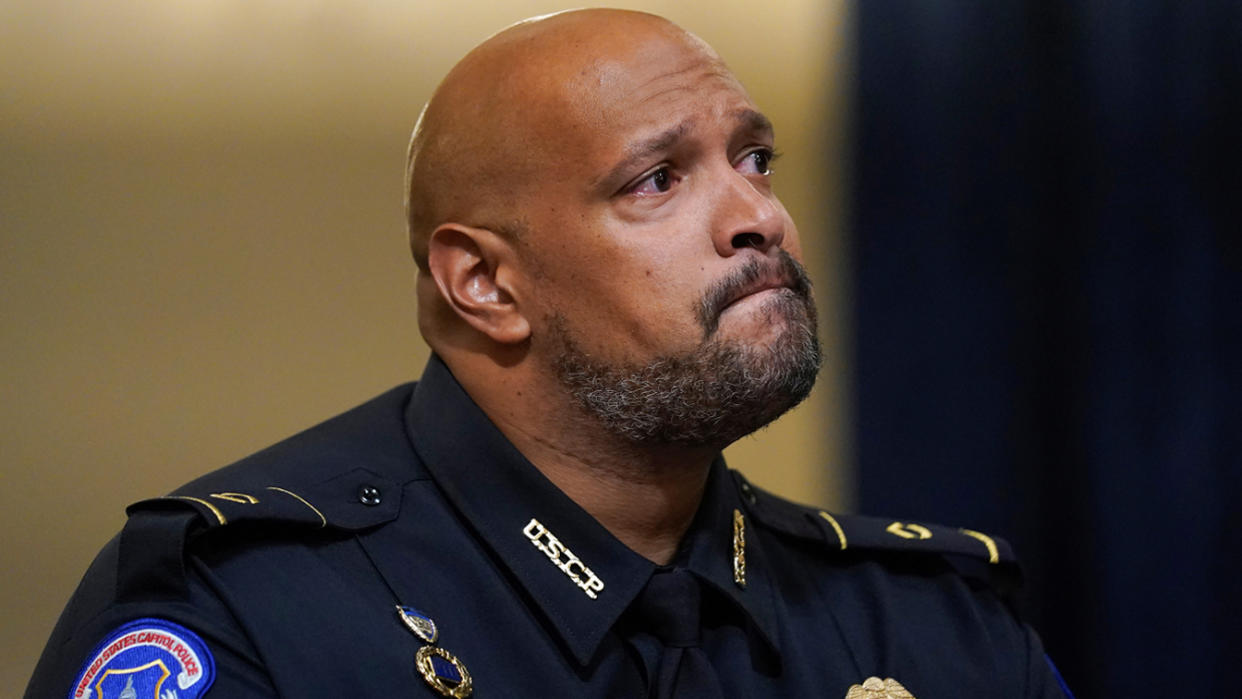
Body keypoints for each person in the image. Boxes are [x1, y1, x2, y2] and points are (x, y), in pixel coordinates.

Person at [26, 9, 1072, 699]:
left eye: (754, 159)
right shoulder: (247, 611)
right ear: (485, 283)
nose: (759, 216)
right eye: (656, 181)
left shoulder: (928, 625)